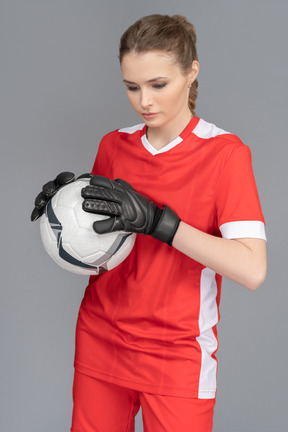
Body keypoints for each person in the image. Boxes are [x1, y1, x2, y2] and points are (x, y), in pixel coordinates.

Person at [31, 14, 267, 432]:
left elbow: (252, 269)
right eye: (132, 87)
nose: (145, 102)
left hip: (176, 354)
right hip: (101, 339)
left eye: (159, 85)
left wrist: (162, 223)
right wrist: (62, 220)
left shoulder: (226, 154)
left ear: (191, 73)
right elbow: (101, 254)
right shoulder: (113, 145)